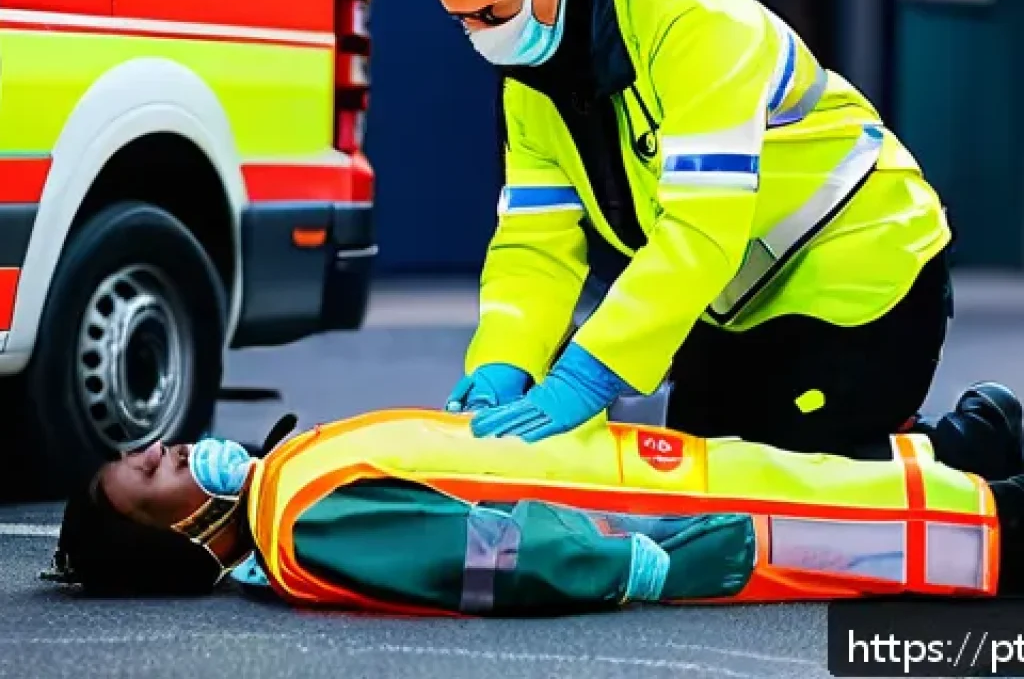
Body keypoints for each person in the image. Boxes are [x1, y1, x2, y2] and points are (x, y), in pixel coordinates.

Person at [422, 0, 989, 469]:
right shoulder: (532, 85)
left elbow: (701, 225)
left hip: (863, 272)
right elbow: (535, 242)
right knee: (697, 481)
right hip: (735, 299)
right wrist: (502, 362)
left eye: (493, 10)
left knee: (784, 484)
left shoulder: (693, 23)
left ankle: (982, 452)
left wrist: (588, 375)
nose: (482, 35)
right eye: (463, 21)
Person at [42, 387, 1024, 610]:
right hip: (686, 522)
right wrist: (640, 565)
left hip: (665, 477)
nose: (165, 449)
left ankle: (979, 453)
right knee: (924, 524)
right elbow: (481, 551)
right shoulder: (301, 516)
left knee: (875, 483)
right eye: (153, 475)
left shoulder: (289, 477)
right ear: (184, 539)